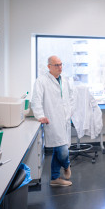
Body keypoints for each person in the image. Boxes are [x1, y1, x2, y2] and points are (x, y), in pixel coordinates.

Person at [31, 55, 74, 187]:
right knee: (62, 150)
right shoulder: (41, 81)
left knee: (59, 148)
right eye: (56, 65)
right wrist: (40, 115)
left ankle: (55, 178)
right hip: (52, 120)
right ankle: (66, 165)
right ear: (49, 66)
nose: (60, 67)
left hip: (65, 119)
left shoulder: (65, 80)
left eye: (61, 64)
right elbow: (36, 100)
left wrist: (70, 113)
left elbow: (71, 97)